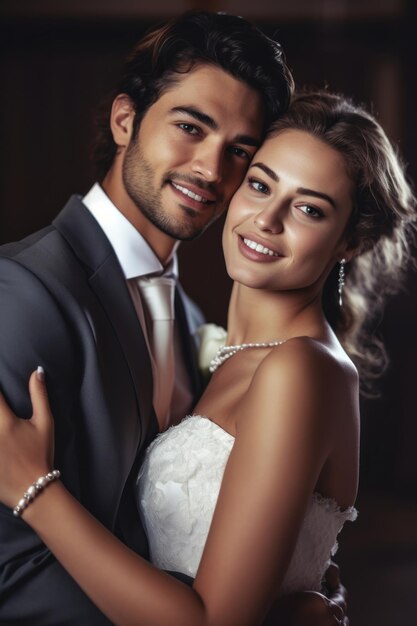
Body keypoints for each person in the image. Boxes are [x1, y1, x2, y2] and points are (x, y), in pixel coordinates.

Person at [0, 90, 415, 626]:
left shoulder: (300, 369)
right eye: (261, 185)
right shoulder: (217, 346)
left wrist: (34, 492)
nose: (267, 219)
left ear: (348, 243)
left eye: (309, 208)